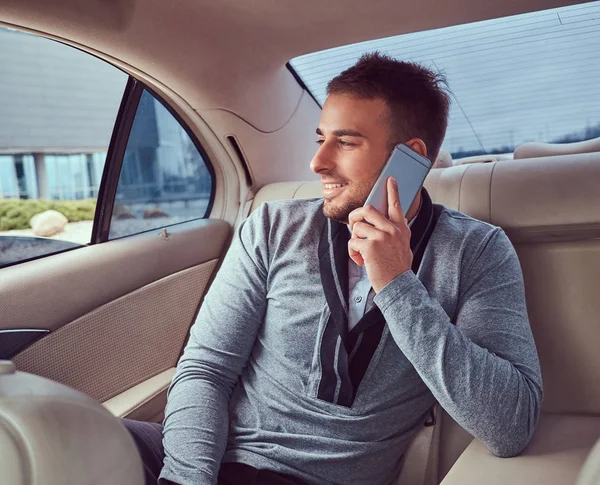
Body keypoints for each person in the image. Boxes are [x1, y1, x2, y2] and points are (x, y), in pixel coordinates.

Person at [125, 52, 543, 485]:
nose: (317, 162)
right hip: (204, 462)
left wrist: (397, 282)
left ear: (411, 157)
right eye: (320, 138)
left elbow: (509, 426)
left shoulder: (478, 251)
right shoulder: (271, 227)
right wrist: (186, 479)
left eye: (345, 142)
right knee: (68, 431)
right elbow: (206, 370)